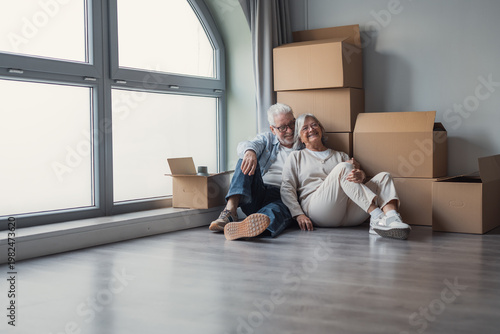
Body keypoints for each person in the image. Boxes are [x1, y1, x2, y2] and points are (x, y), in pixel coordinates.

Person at [280, 113, 411, 240]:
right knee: (344, 167)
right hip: (319, 211)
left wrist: (361, 175)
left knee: (384, 177)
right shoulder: (296, 157)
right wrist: (298, 214)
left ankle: (392, 219)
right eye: (305, 128)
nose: (311, 129)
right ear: (300, 138)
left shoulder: (340, 156)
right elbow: (287, 188)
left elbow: (356, 185)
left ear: (321, 129)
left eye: (314, 125)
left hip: (349, 213)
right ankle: (378, 216)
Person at [210, 103, 296, 240]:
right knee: (245, 158)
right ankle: (230, 210)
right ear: (273, 130)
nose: (290, 130)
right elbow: (245, 145)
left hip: (283, 195)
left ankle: (247, 227)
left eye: (292, 124)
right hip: (257, 193)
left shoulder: (304, 145)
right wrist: (250, 152)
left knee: (276, 211)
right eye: (282, 128)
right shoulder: (267, 139)